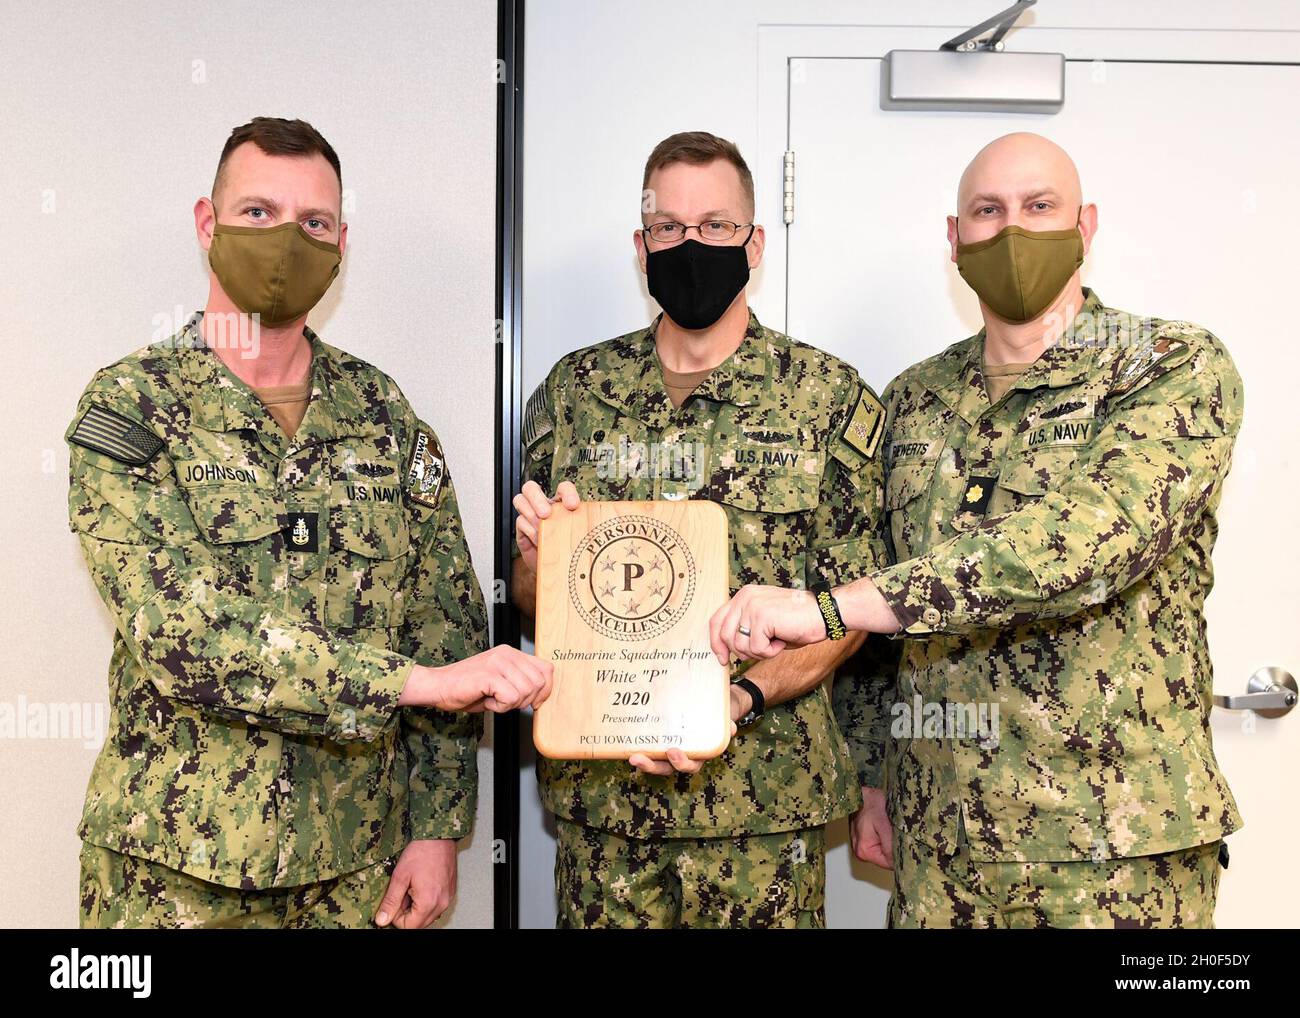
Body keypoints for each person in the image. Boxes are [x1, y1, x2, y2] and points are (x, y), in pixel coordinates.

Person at [709, 132, 1242, 929]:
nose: (1013, 231)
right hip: (942, 843)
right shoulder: (916, 398)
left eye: (1040, 207)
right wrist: (875, 777)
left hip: (1110, 845)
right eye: (987, 212)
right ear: (954, 240)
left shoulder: (1167, 365)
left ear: (1085, 226)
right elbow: (883, 601)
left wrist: (825, 606)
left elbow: (1081, 547)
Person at [67, 117, 551, 928]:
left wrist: (435, 830)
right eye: (258, 213)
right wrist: (411, 686)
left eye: (313, 224)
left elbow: (446, 629)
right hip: (172, 872)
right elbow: (181, 633)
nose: (286, 242)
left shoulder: (385, 417)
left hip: (353, 871)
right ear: (206, 222)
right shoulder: (132, 408)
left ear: (340, 243)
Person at [511, 131, 887, 927]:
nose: (691, 245)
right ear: (640, 246)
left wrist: (740, 698)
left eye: (715, 226)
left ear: (754, 244)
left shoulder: (827, 398)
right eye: (669, 227)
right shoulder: (575, 391)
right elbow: (527, 595)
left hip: (762, 806)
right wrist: (540, 559)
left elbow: (854, 606)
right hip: (604, 802)